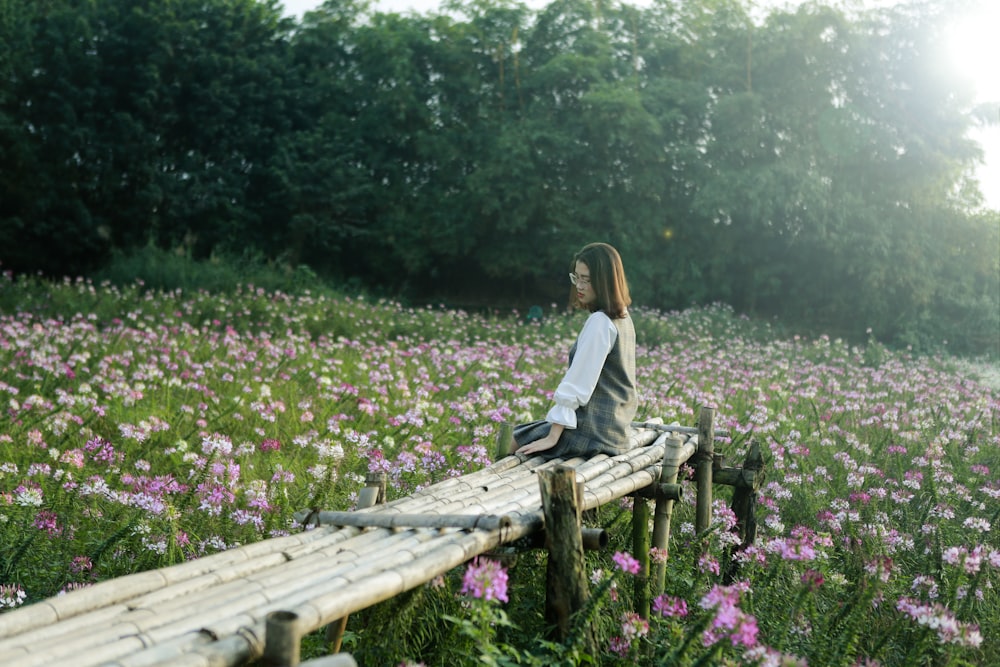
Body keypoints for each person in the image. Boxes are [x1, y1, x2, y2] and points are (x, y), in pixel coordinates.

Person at [512, 242, 638, 459]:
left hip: (593, 434)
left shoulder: (600, 322)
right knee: (528, 432)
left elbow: (578, 383)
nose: (579, 286)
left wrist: (552, 437)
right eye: (576, 277)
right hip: (616, 432)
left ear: (605, 282)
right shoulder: (623, 318)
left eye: (587, 280)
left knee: (513, 441)